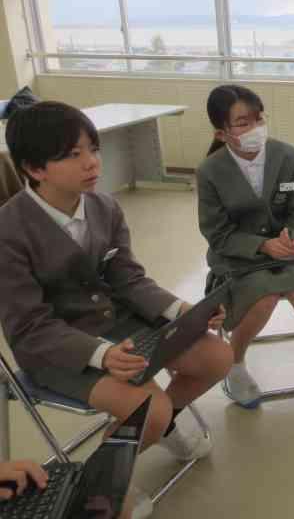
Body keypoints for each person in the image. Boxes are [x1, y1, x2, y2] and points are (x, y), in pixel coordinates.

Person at [0, 102, 233, 518]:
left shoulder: (104, 207)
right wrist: (100, 354)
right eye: (73, 154)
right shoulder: (8, 230)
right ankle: (103, 482)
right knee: (149, 410)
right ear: (34, 168)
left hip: (116, 322)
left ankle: (160, 427)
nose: (92, 162)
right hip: (55, 349)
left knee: (217, 356)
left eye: (94, 148)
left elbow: (128, 279)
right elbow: (30, 326)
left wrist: (182, 310)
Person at [197, 85, 294, 408]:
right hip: (239, 257)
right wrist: (263, 245)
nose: (255, 128)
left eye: (259, 118)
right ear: (221, 133)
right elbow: (217, 233)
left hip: (290, 250)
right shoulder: (210, 172)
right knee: (262, 298)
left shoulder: (289, 156)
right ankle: (235, 365)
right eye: (243, 123)